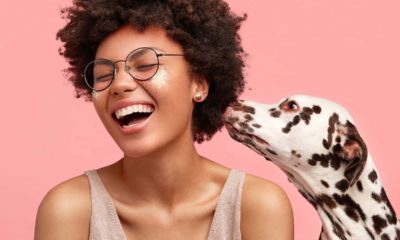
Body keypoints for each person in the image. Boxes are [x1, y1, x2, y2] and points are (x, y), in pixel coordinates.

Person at [34, 0, 294, 239]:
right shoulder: (69, 210)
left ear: (199, 84)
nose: (119, 84)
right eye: (103, 75)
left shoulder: (257, 206)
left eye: (146, 66)